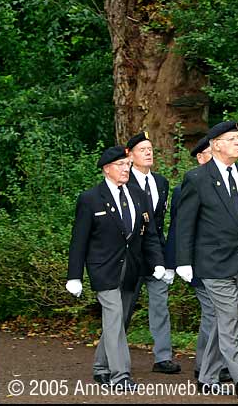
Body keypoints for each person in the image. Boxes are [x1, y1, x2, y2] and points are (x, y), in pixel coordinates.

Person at [175, 121, 238, 399]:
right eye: (232, 139)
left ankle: (207, 375)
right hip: (212, 262)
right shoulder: (197, 178)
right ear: (216, 144)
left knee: (224, 320)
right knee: (230, 319)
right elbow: (185, 223)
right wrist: (182, 260)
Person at [66, 145, 166, 390]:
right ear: (106, 169)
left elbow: (149, 234)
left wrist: (158, 263)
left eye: (127, 164)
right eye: (120, 165)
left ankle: (101, 367)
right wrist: (74, 276)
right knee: (113, 317)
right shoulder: (90, 199)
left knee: (118, 322)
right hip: (104, 269)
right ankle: (120, 375)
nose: (126, 169)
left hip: (131, 268)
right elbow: (79, 240)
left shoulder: (138, 195)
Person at [164, 135, 231, 383]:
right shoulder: (188, 186)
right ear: (201, 158)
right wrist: (177, 262)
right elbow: (180, 229)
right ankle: (206, 364)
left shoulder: (228, 182)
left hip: (223, 262)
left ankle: (212, 363)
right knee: (214, 313)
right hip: (199, 264)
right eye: (210, 155)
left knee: (218, 313)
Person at [124, 131, 181, 375]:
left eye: (150, 149)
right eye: (142, 149)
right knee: (123, 309)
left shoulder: (161, 182)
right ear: (130, 155)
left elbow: (158, 224)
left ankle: (163, 357)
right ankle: (109, 359)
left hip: (156, 253)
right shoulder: (124, 181)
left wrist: (167, 259)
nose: (148, 153)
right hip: (130, 256)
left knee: (160, 305)